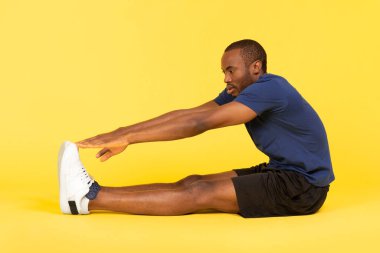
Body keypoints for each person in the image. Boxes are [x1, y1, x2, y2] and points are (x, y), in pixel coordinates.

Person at [58, 39, 334, 218]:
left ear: (255, 67)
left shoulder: (272, 88)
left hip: (303, 188)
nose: (226, 79)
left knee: (198, 194)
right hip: (283, 171)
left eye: (231, 71)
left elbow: (199, 124)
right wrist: (123, 130)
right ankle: (92, 192)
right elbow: (191, 113)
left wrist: (129, 137)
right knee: (193, 181)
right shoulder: (243, 90)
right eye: (223, 73)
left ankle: (88, 199)